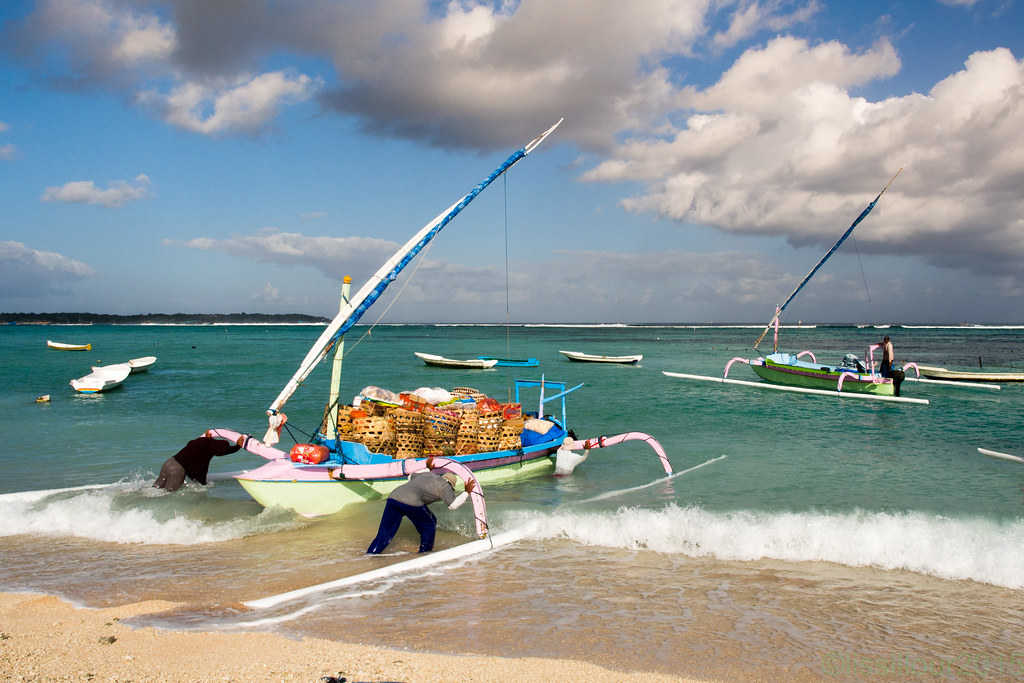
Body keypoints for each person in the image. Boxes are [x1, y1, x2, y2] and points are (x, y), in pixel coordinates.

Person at [366, 468, 475, 554]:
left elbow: (409, 477)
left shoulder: (429, 474)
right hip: (411, 501)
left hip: (393, 497)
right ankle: (424, 554)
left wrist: (427, 468)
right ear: (451, 485)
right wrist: (467, 492)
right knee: (429, 526)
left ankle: (370, 555)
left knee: (384, 535)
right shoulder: (445, 486)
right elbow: (453, 505)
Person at [153, 431, 246, 492]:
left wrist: (202, 483)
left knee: (154, 489)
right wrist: (237, 446)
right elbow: (223, 451)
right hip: (177, 469)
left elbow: (200, 468)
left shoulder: (198, 442)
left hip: (169, 462)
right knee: (167, 495)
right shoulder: (212, 447)